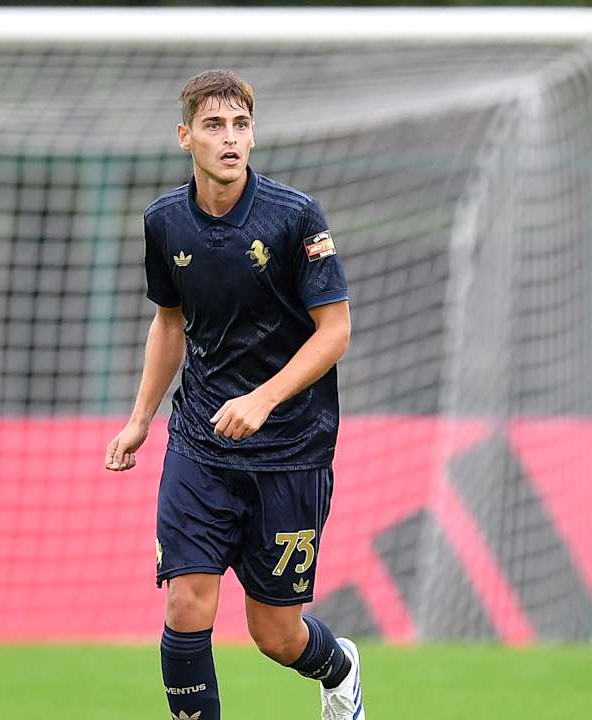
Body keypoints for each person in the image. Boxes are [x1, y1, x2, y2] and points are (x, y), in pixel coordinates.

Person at [105, 69, 362, 720]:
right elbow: (168, 322)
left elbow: (335, 332)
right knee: (186, 601)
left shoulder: (294, 217)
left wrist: (263, 399)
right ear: (184, 136)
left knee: (275, 636)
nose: (230, 139)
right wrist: (141, 419)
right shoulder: (165, 222)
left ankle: (341, 668)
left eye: (241, 126)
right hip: (201, 442)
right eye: (214, 126)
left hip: (290, 448)